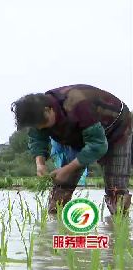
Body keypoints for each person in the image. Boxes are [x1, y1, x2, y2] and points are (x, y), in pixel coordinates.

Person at [11, 84, 132, 216]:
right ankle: (53, 227)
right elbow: (37, 139)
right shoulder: (36, 115)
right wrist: (40, 164)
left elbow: (97, 146)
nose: (41, 128)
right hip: (78, 135)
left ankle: (119, 228)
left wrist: (66, 169)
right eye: (37, 126)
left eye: (43, 125)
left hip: (117, 128)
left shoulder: (78, 105)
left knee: (116, 191)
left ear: (48, 110)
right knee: (61, 188)